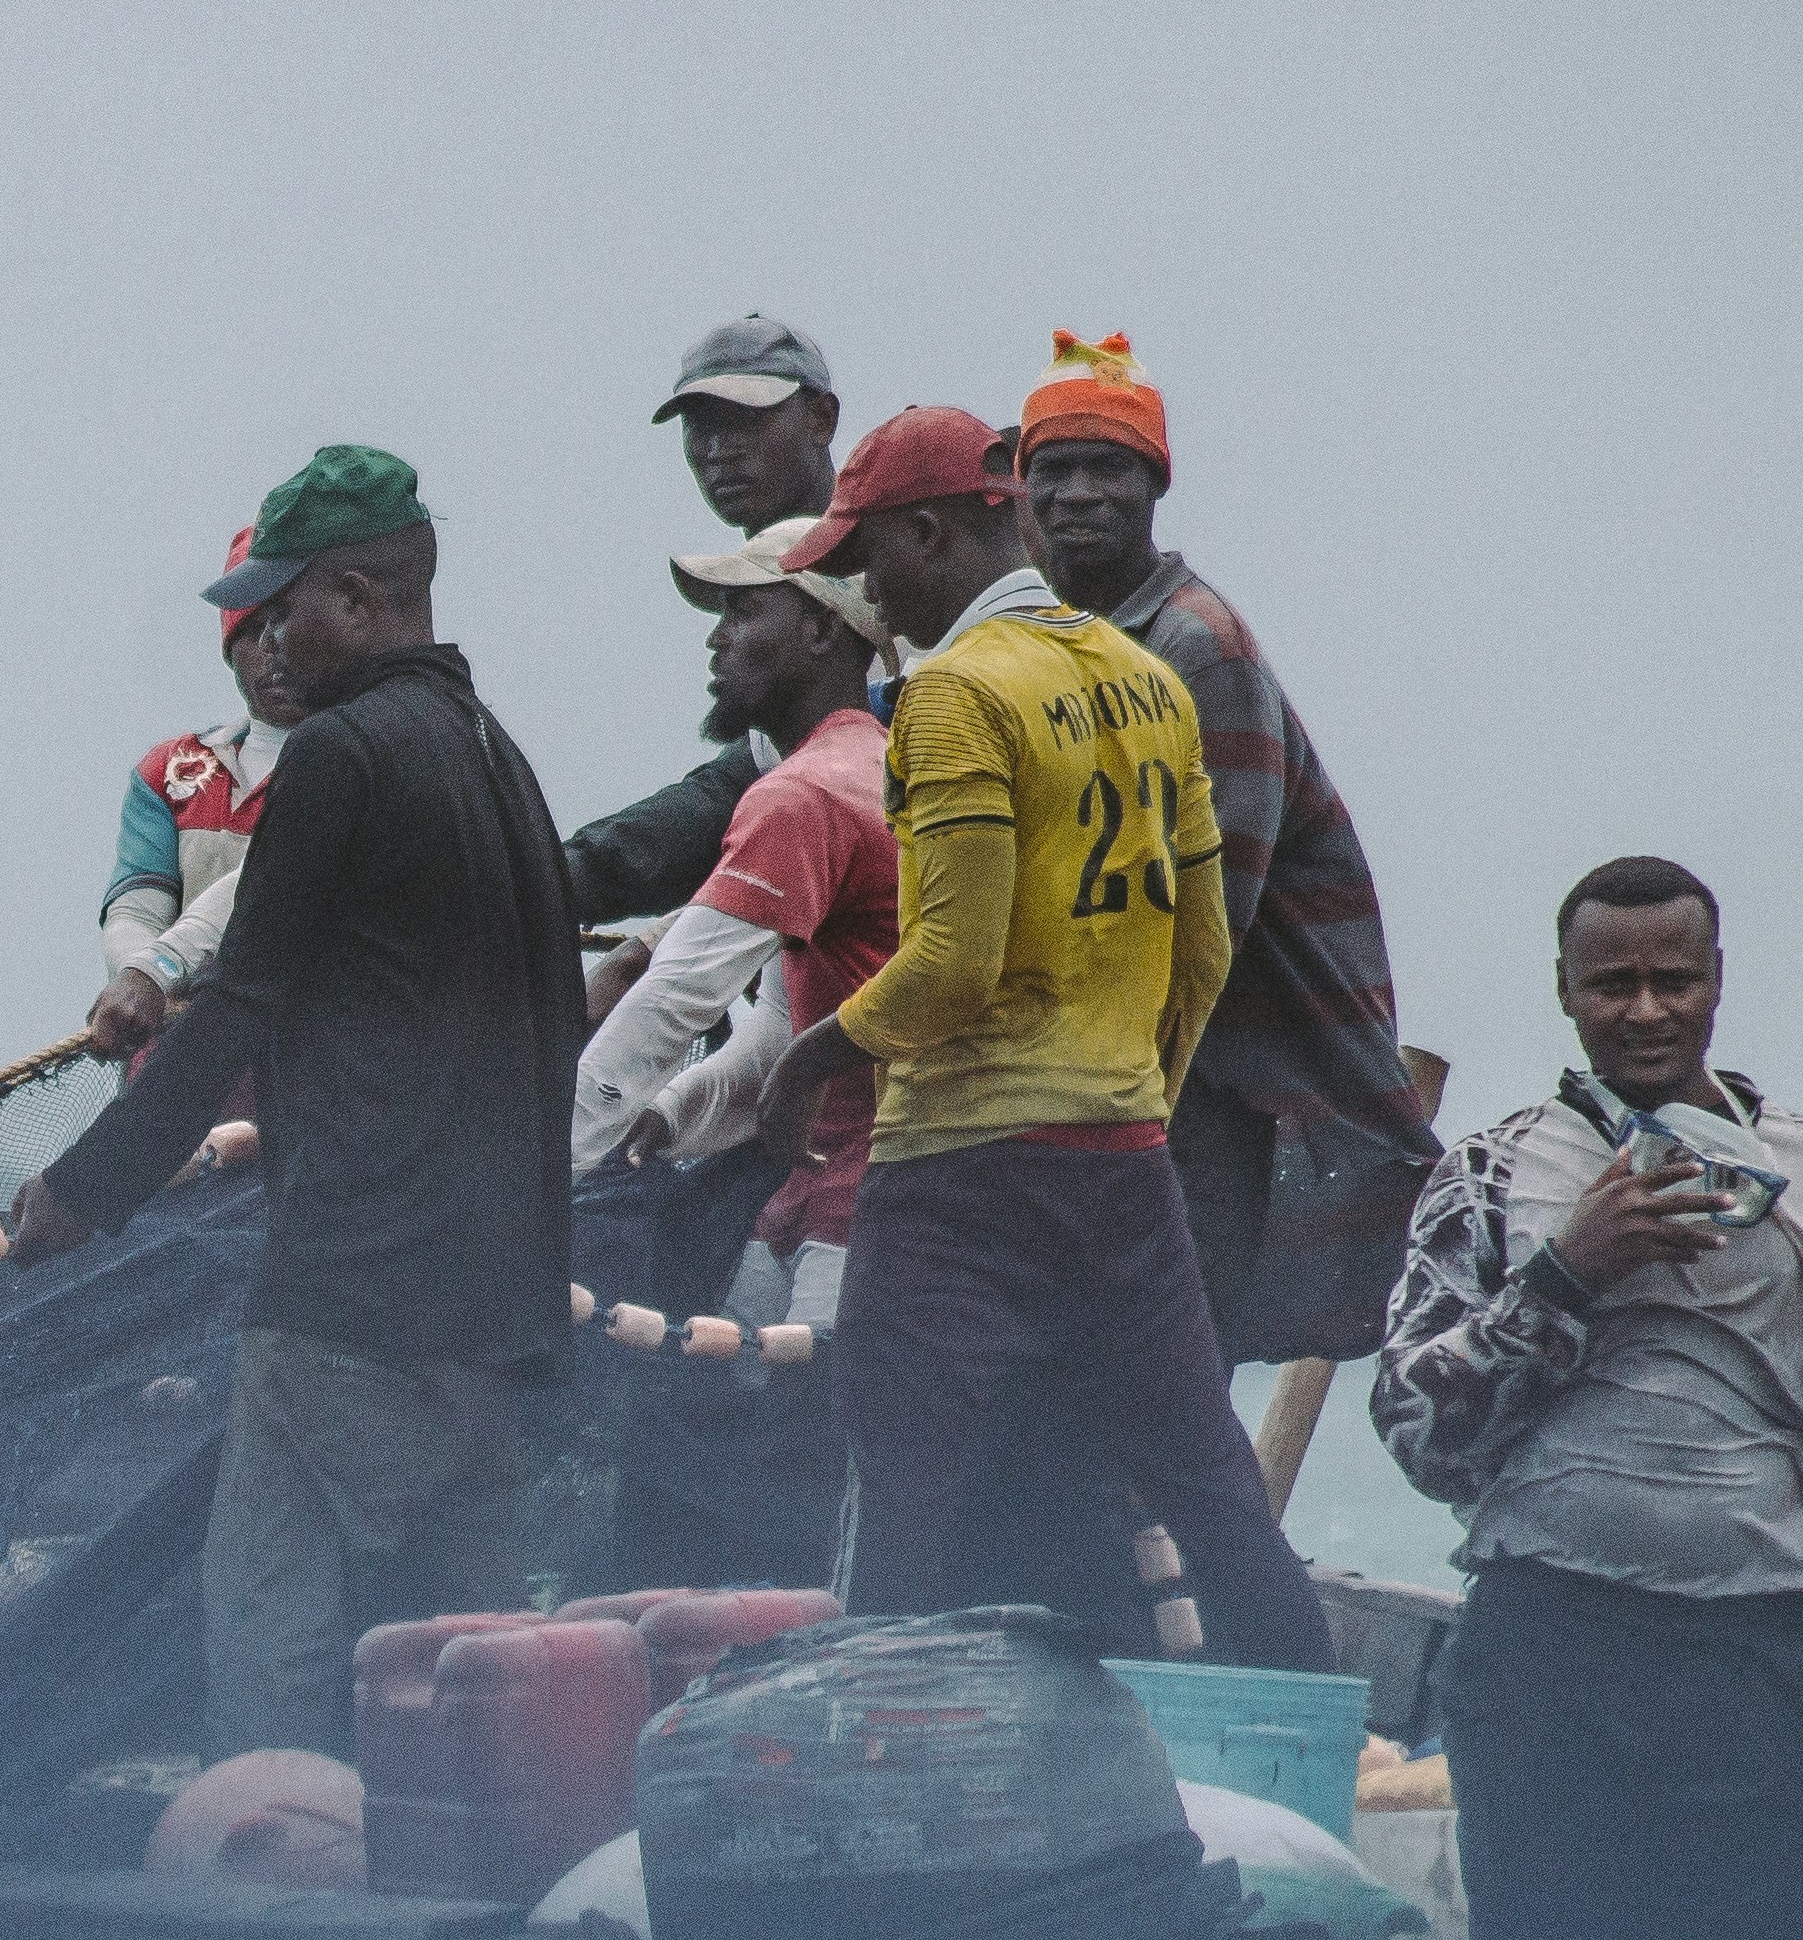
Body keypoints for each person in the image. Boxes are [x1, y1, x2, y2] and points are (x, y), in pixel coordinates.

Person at [8, 445, 583, 1759]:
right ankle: (495, 1857)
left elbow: (241, 1007)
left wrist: (84, 1193)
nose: (267, 632)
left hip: (348, 1290)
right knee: (477, 1640)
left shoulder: (340, 756)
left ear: (366, 598)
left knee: (268, 1603)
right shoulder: (497, 758)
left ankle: (273, 1877)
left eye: (289, 604)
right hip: (493, 1299)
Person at [757, 405, 1337, 1671]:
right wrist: (1135, 1093)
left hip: (957, 1175)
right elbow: (1196, 949)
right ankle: (1313, 1756)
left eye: (868, 561)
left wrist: (811, 1059)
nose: (865, 592)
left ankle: (879, 1782)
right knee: (1214, 1501)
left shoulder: (953, 693)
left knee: (898, 1506)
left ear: (928, 534)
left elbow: (951, 965)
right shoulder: (1143, 676)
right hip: (1123, 1166)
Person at [1370, 857, 1803, 1940]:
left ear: (1714, 984)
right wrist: (1569, 1270)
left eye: (1670, 980)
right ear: (1562, 989)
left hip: (1753, 1668)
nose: (1643, 1010)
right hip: (1547, 1655)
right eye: (1610, 984)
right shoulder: (1495, 1173)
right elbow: (1418, 1434)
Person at [1013, 333, 1436, 1364]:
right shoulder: (1062, 649)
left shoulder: (1195, 650)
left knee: (1161, 1377)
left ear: (1153, 483)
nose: (1077, 494)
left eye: (1105, 468)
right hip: (1139, 1077)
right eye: (1051, 470)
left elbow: (1201, 920)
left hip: (1226, 1085)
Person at [566, 518, 896, 1327]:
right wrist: (669, 1115)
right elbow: (787, 1034)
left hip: (864, 1215)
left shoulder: (807, 791)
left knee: (804, 1435)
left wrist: (530, 1176)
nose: (719, 641)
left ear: (824, 628)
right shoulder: (871, 762)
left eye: (744, 613)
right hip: (812, 1198)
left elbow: (674, 999)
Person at [559, 316, 845, 924]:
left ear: (821, 419)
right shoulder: (774, 591)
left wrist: (552, 883)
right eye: (701, 427)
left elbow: (728, 799)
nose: (718, 452)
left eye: (746, 422)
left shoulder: (888, 575)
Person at [86, 528, 305, 1060]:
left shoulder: (352, 762)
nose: (272, 649)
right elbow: (135, 911)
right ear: (229, 648)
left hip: (301, 1072)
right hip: (176, 1071)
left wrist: (158, 971)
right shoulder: (170, 771)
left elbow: (263, 878)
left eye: (286, 624)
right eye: (251, 630)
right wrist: (144, 981)